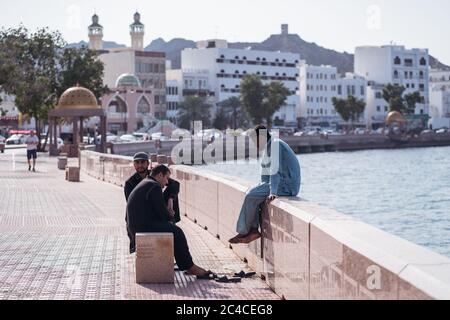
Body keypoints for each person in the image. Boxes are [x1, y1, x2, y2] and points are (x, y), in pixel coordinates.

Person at [126, 164, 210, 277]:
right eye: (166, 178)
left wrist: (168, 207)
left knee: (173, 229)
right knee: (177, 232)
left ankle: (186, 265)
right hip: (142, 227)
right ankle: (190, 267)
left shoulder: (147, 182)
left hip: (137, 226)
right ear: (160, 175)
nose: (166, 183)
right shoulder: (153, 186)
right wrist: (170, 213)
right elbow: (162, 215)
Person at [229, 125, 301, 244]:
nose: (254, 144)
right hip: (281, 183)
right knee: (253, 194)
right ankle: (252, 230)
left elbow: (274, 170)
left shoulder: (275, 145)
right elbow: (265, 174)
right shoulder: (269, 147)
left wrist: (273, 192)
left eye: (255, 140)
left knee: (251, 196)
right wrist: (261, 188)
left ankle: (245, 232)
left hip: (287, 186)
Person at [124, 152, 181, 224]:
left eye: (143, 162)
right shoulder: (129, 183)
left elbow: (175, 184)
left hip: (155, 205)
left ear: (148, 163)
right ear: (134, 165)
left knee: (172, 191)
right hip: (142, 214)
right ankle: (167, 220)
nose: (140, 165)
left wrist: (170, 199)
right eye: (137, 163)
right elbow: (133, 205)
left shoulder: (154, 174)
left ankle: (172, 220)